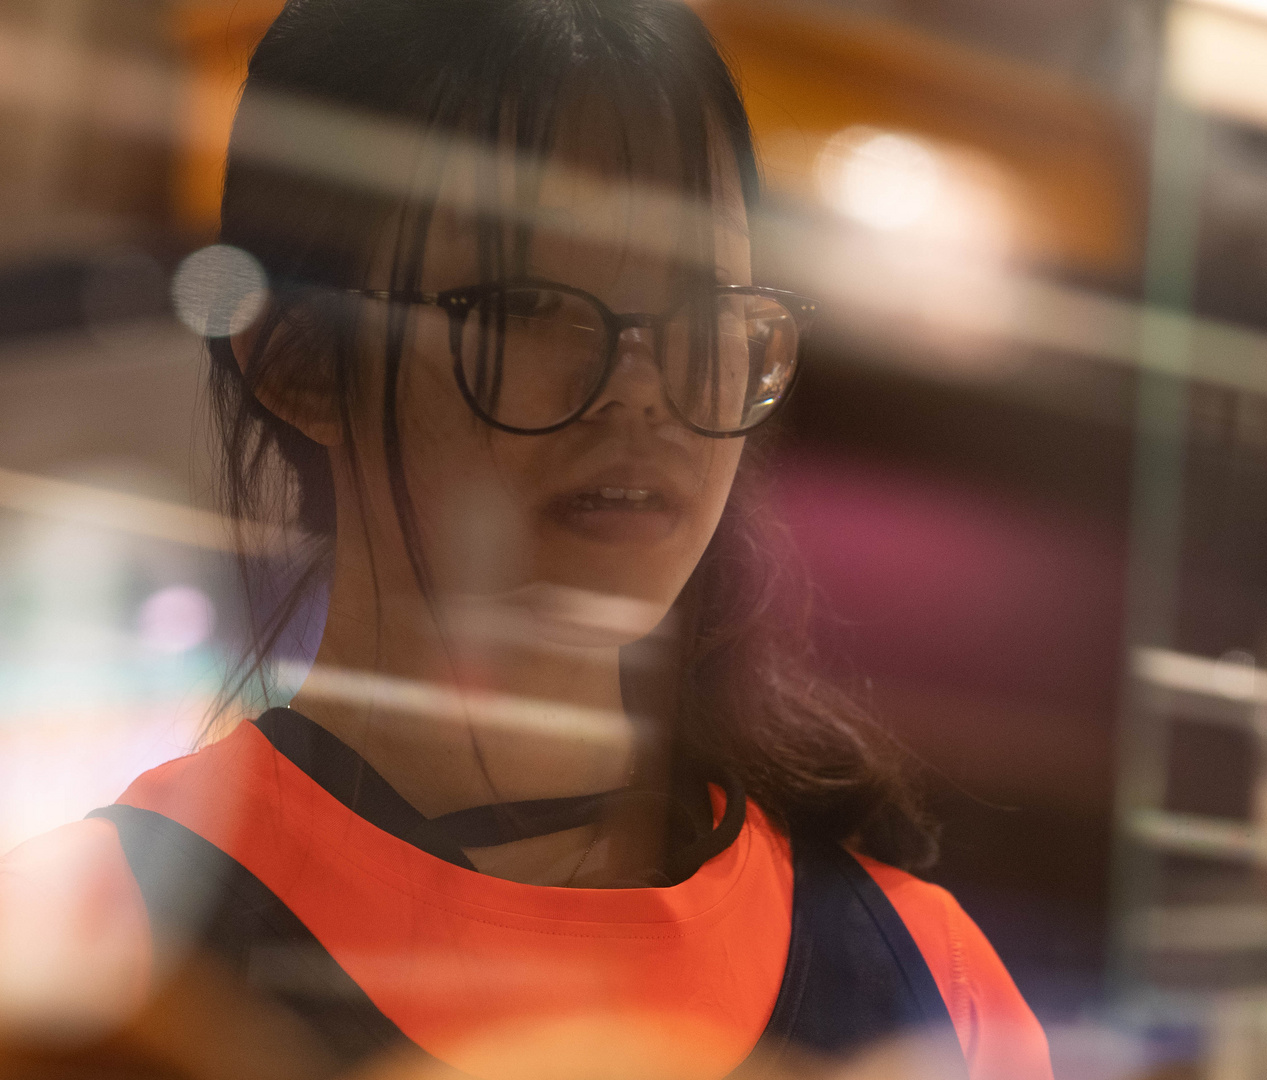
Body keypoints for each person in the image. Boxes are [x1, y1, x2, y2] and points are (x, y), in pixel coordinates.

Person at [0, 2, 1052, 1078]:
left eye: (701, 310)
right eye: (526, 306)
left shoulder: (927, 980)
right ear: (300, 361)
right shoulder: (91, 956)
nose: (640, 391)